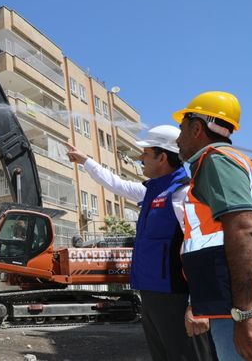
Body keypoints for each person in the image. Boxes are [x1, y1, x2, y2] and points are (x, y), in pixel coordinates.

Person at [67, 125, 217, 361]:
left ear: (163, 157)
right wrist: (86, 161)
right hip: (151, 293)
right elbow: (116, 184)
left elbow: (200, 249)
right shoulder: (152, 192)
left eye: (145, 154)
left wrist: (196, 303)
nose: (140, 159)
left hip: (175, 296)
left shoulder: (184, 194)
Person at [173, 91, 252, 361]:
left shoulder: (216, 161)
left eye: (181, 128)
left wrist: (245, 313)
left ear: (197, 128)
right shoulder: (227, 162)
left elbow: (244, 229)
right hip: (241, 307)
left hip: (250, 311)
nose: (177, 139)